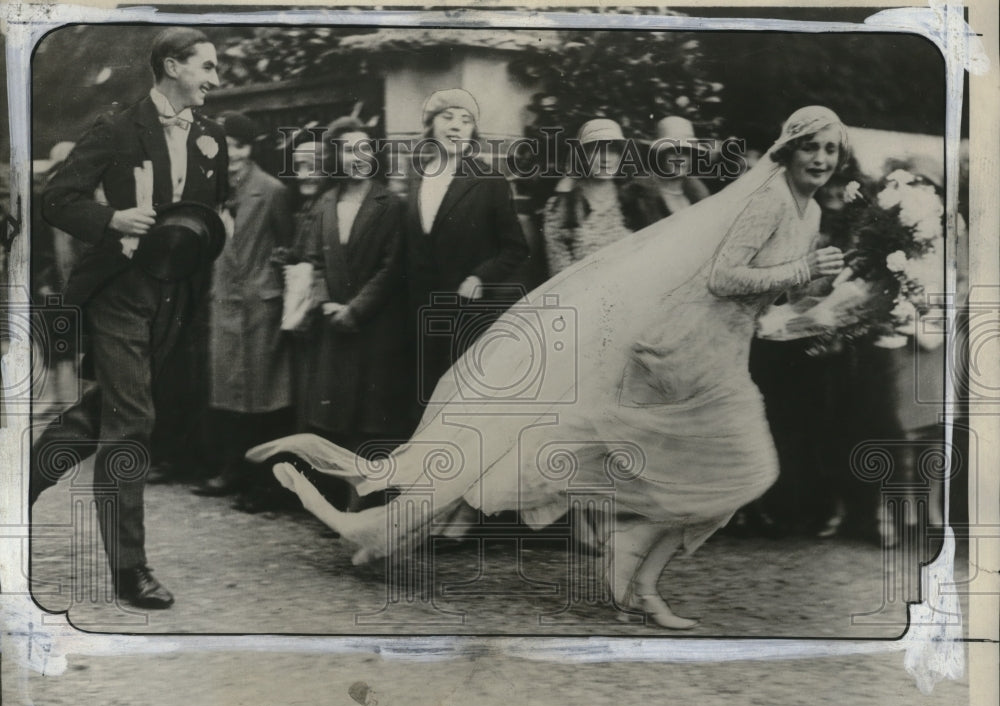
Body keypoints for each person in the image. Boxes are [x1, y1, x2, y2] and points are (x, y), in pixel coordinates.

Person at [249, 106, 848, 629]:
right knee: (689, 463)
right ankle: (624, 567)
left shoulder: (810, 212)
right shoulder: (766, 198)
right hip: (677, 348)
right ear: (788, 149)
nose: (821, 159)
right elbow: (722, 276)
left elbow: (762, 295)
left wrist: (815, 293)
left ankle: (633, 566)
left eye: (830, 149)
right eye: (812, 147)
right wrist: (798, 274)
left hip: (720, 355)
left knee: (728, 473)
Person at [30, 27, 228, 609]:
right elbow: (57, 198)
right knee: (132, 421)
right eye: (208, 67)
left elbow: (202, 219)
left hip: (176, 298)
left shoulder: (211, 138)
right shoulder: (116, 129)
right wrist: (112, 220)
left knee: (106, 414)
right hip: (119, 291)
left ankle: (16, 489)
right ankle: (129, 568)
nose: (216, 80)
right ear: (172, 66)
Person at [294, 117, 412, 504]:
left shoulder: (390, 204)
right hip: (332, 322)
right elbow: (312, 259)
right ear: (337, 156)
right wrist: (327, 303)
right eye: (348, 150)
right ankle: (336, 496)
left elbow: (392, 266)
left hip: (373, 326)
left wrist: (355, 310)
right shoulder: (324, 204)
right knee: (335, 412)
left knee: (370, 416)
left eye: (364, 149)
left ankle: (365, 499)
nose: (357, 158)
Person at [403, 88, 529, 406]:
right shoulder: (415, 177)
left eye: (465, 121)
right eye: (447, 118)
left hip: (465, 314)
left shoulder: (489, 181)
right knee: (421, 399)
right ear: (431, 126)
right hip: (418, 311)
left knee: (461, 403)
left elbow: (516, 247)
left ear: (473, 132)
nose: (456, 126)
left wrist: (480, 277)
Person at [193, 112, 294, 509]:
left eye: (238, 146)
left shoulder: (271, 191)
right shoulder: (212, 191)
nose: (230, 155)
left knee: (262, 396)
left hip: (259, 307)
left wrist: (267, 283)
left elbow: (288, 248)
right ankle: (232, 470)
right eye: (223, 146)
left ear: (251, 149)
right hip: (224, 303)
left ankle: (264, 484)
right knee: (230, 394)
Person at [542, 118, 633, 276]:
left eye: (613, 150)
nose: (606, 158)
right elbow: (560, 275)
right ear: (583, 156)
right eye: (597, 150)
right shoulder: (562, 206)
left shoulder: (634, 200)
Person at [620, 116, 711, 231]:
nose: (680, 158)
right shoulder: (637, 197)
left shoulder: (700, 195)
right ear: (660, 154)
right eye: (672, 150)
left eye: (686, 151)